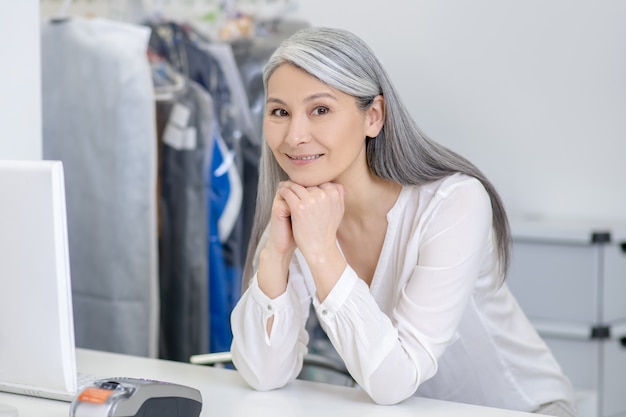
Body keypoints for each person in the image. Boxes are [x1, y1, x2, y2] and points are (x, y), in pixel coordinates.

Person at [229, 26, 576, 417]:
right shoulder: (301, 211)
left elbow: (395, 380)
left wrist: (322, 251)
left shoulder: (453, 203)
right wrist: (276, 253)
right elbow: (263, 373)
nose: (294, 136)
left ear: (373, 117)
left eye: (320, 110)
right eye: (280, 112)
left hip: (521, 410)